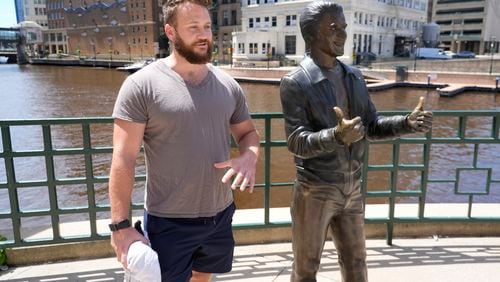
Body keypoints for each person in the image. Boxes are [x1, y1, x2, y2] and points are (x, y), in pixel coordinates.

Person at [279, 2, 433, 282]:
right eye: (333, 28)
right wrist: (335, 136)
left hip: (352, 188)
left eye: (344, 27)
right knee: (306, 268)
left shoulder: (354, 76)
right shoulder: (296, 82)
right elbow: (296, 141)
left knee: (356, 261)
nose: (342, 34)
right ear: (312, 34)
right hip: (315, 191)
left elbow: (371, 125)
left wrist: (406, 123)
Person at [108, 0, 260, 281]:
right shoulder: (141, 85)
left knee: (204, 277)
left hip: (221, 213)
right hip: (169, 219)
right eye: (193, 28)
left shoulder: (228, 85)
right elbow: (123, 158)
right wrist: (120, 227)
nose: (204, 35)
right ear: (170, 31)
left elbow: (247, 133)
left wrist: (249, 155)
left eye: (206, 26)